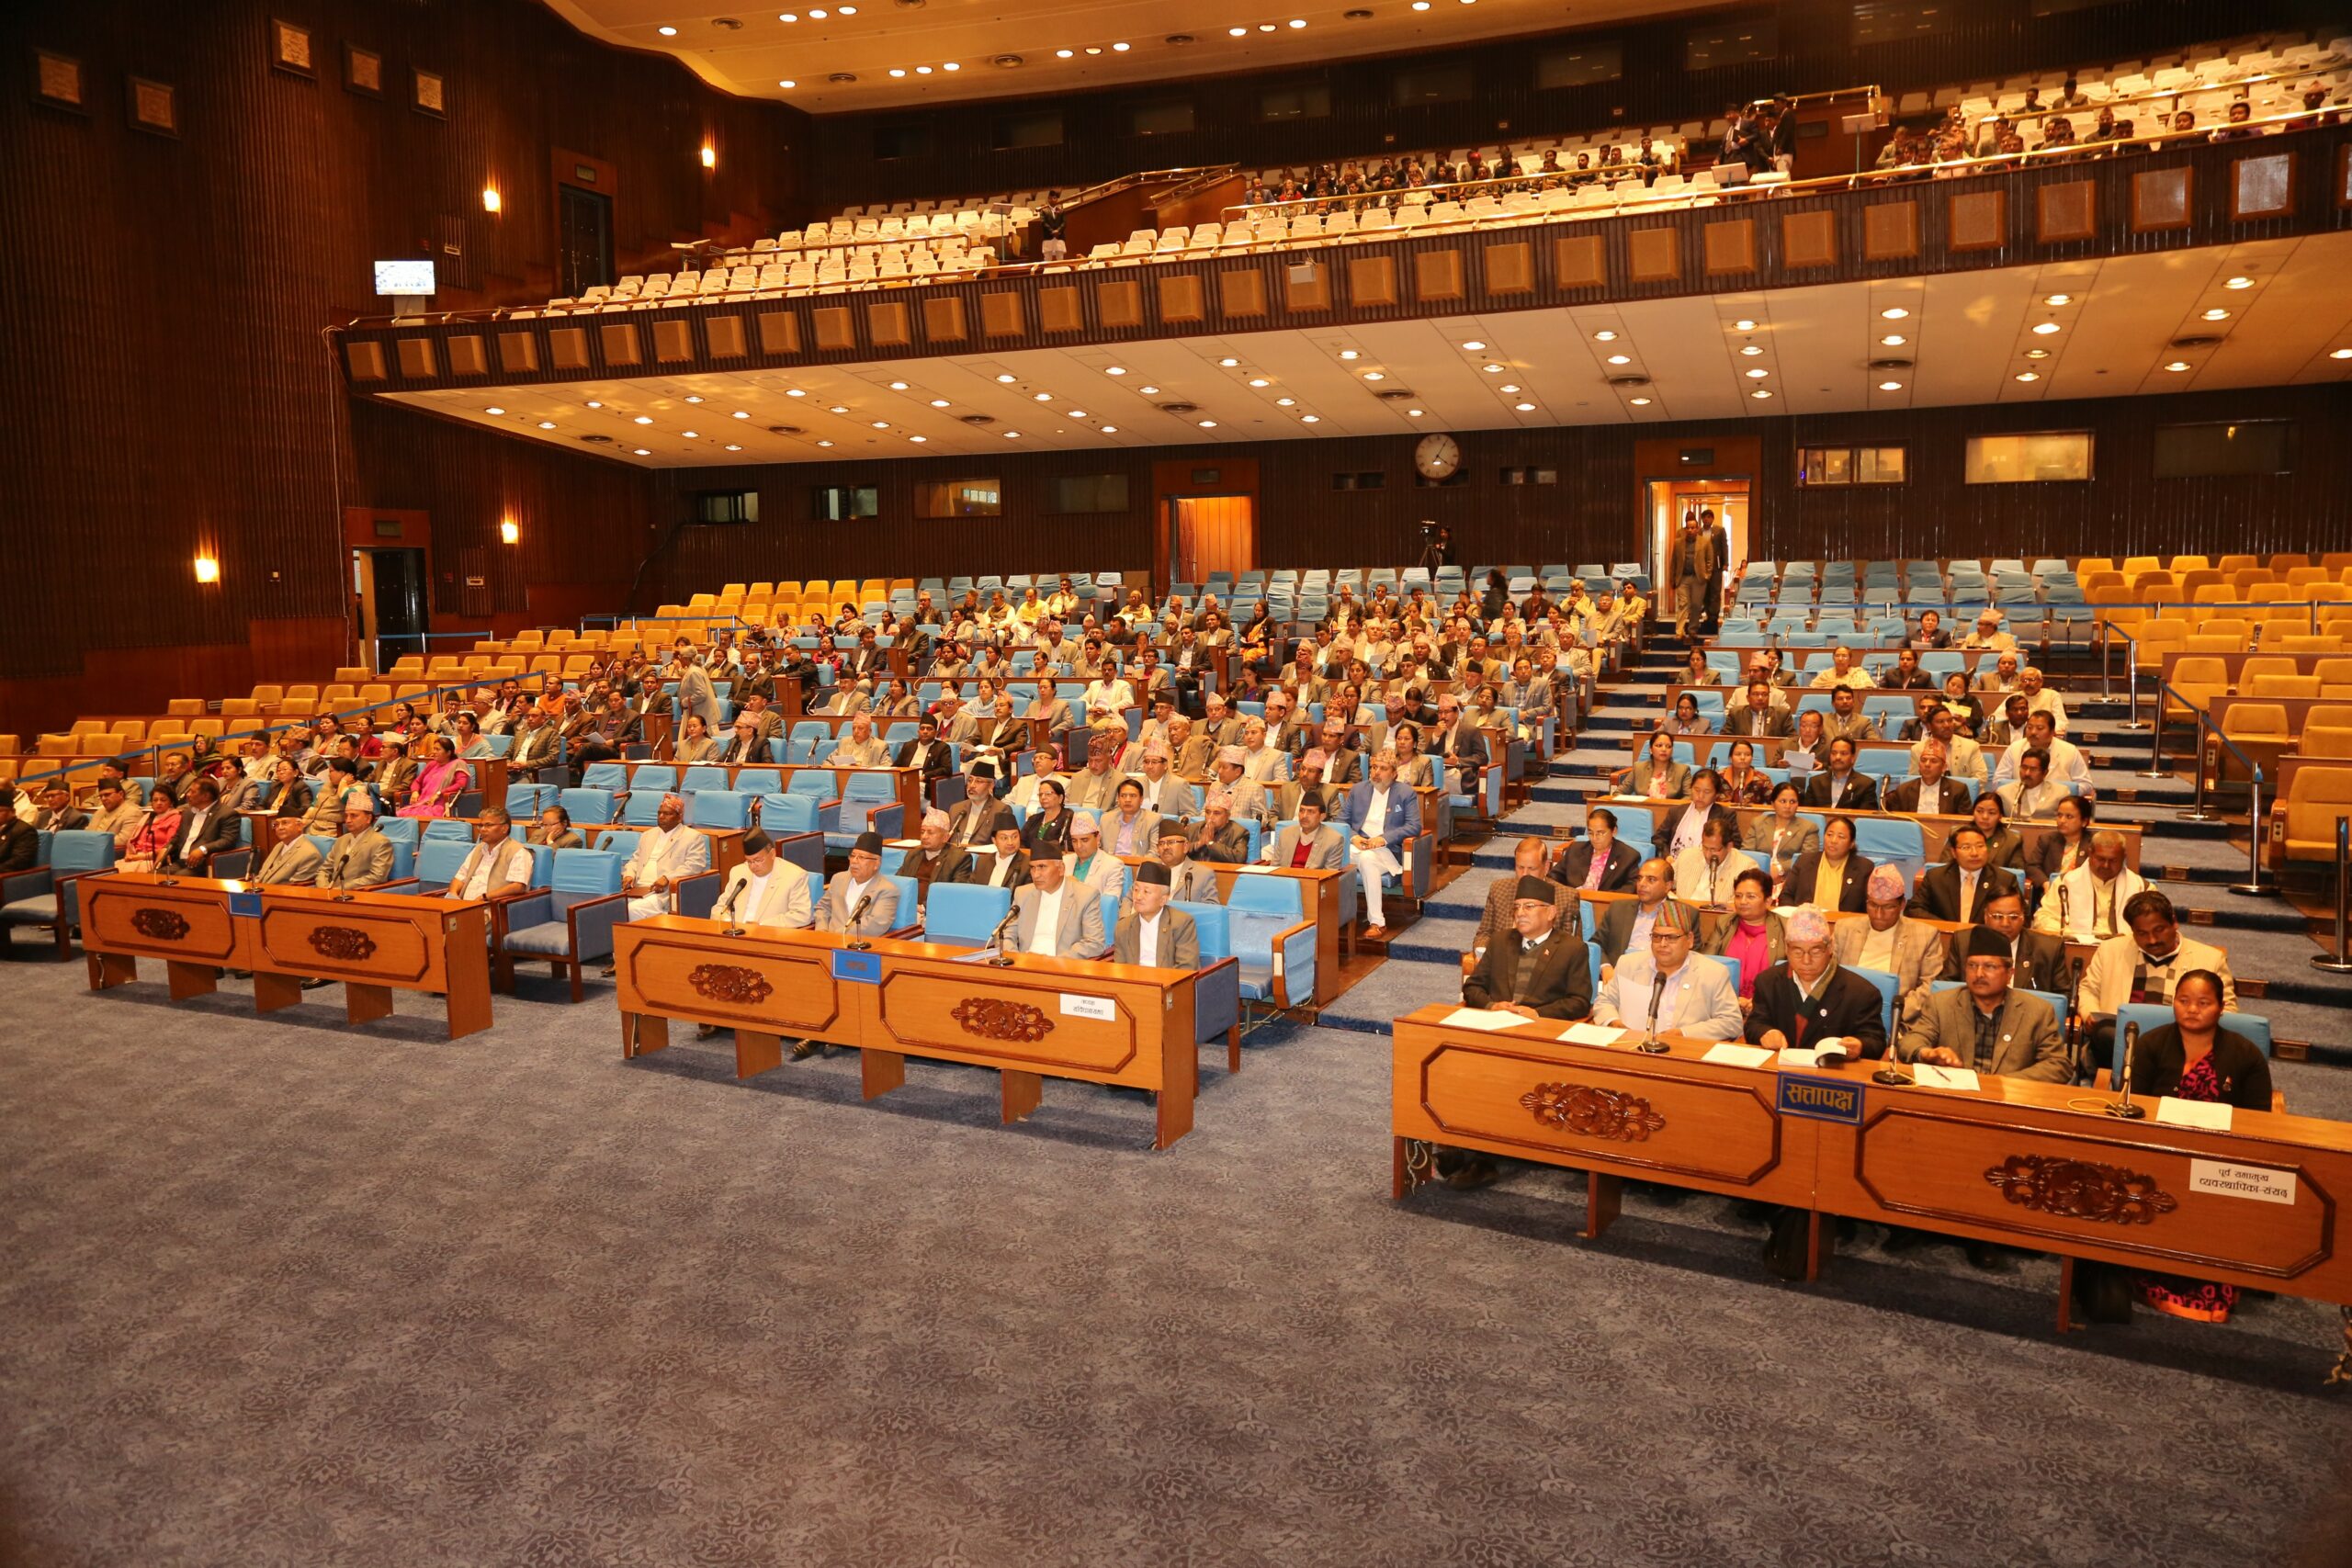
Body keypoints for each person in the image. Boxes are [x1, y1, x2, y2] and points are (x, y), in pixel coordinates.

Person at [2080, 888, 2237, 1063]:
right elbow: (2088, 990)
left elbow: (2228, 1010)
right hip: (2120, 1039)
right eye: (2142, 933)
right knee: (2104, 1034)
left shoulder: (2210, 959)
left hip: (2179, 1044)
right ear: (2132, 931)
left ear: (2174, 922)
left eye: (2159, 930)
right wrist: (2089, 1014)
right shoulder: (2110, 950)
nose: (2152, 940)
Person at [1897, 925, 2067, 1081]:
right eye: (1972, 965)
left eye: (1990, 966)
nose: (1979, 974)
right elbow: (1909, 1042)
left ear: (2010, 973)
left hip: (2010, 1096)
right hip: (1956, 1094)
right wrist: (1927, 1053)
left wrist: (2004, 1083)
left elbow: (2058, 1064)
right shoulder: (1941, 1004)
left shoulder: (2037, 1011)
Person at [1745, 906, 1888, 1055]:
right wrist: (1766, 1033)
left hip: (1832, 1068)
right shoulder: (1768, 982)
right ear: (1787, 949)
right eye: (1797, 952)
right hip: (1780, 1066)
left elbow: (1876, 1041)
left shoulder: (1861, 992)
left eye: (1816, 951)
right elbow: (1754, 1025)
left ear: (1830, 947)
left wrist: (1860, 1046)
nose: (1806, 961)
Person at [1591, 900, 1743, 1040]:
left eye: (1671, 937)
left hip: (1683, 1050)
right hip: (1630, 1044)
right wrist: (1614, 1022)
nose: (1662, 944)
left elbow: (1731, 1022)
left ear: (1689, 940)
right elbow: (1604, 1001)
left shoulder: (1713, 973)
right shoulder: (1628, 964)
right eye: (1657, 937)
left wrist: (1683, 1033)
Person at [1463, 874, 1595, 1021]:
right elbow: (1472, 987)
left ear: (1551, 913)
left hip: (1541, 1027)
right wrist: (1492, 1006)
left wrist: (1538, 1014)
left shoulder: (1572, 949)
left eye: (1529, 906)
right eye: (1516, 907)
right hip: (1496, 1022)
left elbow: (1579, 1002)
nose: (1520, 913)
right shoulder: (1500, 941)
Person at [1835, 863, 1946, 1020]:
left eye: (1888, 907)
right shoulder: (1845, 929)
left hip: (1896, 1015)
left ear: (1902, 905)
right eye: (1873, 905)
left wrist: (1895, 1013)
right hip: (1847, 1012)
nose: (1879, 914)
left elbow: (1930, 986)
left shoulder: (1925, 935)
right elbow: (1829, 975)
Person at [1341, 748, 1421, 937]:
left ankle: (1377, 922)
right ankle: (1332, 916)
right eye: (1374, 767)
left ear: (1394, 773)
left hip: (1386, 851)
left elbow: (1414, 826)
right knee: (1333, 852)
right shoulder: (1358, 790)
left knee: (1368, 859)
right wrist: (1354, 837)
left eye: (1383, 768)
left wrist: (1384, 839)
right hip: (1357, 847)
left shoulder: (1405, 793)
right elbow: (1341, 821)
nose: (1376, 772)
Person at [1942, 888, 2066, 993]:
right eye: (1997, 916)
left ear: (2023, 917)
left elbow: (2062, 998)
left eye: (2013, 917)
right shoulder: (1964, 942)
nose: (2005, 923)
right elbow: (1946, 988)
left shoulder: (2049, 949)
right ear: (1986, 916)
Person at [614, 794, 709, 927]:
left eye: (667, 814)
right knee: (612, 907)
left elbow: (695, 865)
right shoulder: (647, 835)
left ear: (679, 817)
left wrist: (667, 878)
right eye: (659, 813)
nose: (661, 816)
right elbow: (635, 860)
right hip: (637, 888)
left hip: (663, 892)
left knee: (630, 910)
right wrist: (629, 875)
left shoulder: (692, 837)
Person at [2034, 829, 2145, 940]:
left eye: (2113, 860)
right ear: (2090, 853)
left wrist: (2129, 938)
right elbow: (2043, 916)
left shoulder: (2141, 887)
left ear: (2123, 857)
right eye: (2101, 859)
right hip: (2077, 945)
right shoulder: (2066, 883)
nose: (2106, 865)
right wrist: (2067, 933)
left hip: (2122, 947)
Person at [1476, 838, 1578, 956]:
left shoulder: (1567, 898)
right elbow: (1483, 934)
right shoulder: (1498, 890)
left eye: (1531, 869)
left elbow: (1570, 949)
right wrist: (1484, 952)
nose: (1524, 875)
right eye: (1520, 868)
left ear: (1546, 867)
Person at [1702, 868, 1788, 1003]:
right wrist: (1732, 1000)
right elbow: (1706, 964)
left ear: (1767, 901)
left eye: (1751, 896)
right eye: (1738, 896)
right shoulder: (1725, 923)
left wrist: (1757, 1003)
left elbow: (1792, 976)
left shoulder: (1785, 927)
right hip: (1725, 1002)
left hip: (1771, 1004)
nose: (1742, 901)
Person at [1909, 824, 2019, 925]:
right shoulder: (1936, 877)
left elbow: (2021, 916)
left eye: (1980, 846)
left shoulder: (2004, 880)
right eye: (1966, 847)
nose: (1974, 853)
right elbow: (1913, 909)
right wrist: (1947, 927)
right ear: (1953, 853)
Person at [1012, 849, 1109, 958]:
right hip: (1024, 962)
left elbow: (1094, 943)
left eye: (1042, 867)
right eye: (1032, 868)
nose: (1036, 875)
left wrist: (1054, 961)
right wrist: (1015, 958)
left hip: (1062, 963)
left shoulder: (1085, 896)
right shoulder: (1022, 893)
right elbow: (1007, 934)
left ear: (1061, 869)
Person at [1593, 856, 1678, 978]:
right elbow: (1597, 944)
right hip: (1617, 976)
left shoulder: (1681, 914)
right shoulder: (1618, 909)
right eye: (1639, 878)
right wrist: (1605, 967)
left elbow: (1688, 956)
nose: (1642, 884)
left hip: (1659, 979)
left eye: (1651, 879)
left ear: (1668, 885)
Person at [711, 829, 811, 930]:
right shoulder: (738, 872)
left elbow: (802, 915)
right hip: (736, 933)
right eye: (749, 861)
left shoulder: (794, 876)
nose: (753, 866)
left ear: (772, 854)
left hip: (768, 935)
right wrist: (730, 923)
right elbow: (719, 909)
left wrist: (762, 926)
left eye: (758, 860)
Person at [1113, 860, 1201, 969]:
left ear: (1163, 900)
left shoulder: (1182, 924)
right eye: (1136, 890)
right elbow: (1120, 969)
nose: (1138, 897)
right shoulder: (1123, 927)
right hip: (1134, 979)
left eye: (1146, 891)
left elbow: (1186, 968)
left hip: (1169, 979)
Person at [814, 831, 899, 940]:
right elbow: (823, 907)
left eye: (861, 857)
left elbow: (877, 924)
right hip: (826, 940)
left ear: (876, 864)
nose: (854, 861)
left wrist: (838, 935)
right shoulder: (838, 879)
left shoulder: (887, 890)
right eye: (853, 856)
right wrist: (821, 931)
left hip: (860, 944)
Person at [1779, 814, 1872, 913]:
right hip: (1805, 920)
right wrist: (1796, 916)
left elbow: (1870, 905)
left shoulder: (1864, 868)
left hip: (1845, 921)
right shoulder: (1804, 861)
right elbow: (1786, 896)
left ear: (1851, 843)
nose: (1833, 841)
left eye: (1841, 837)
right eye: (1829, 835)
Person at [159, 778, 240, 874]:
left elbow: (227, 841)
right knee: (154, 876)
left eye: (192, 792)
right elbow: (178, 836)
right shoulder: (188, 812)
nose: (188, 794)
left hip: (204, 864)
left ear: (205, 796)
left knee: (179, 878)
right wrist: (166, 849)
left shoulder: (227, 814)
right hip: (180, 862)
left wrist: (203, 849)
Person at [1672, 819, 1758, 909]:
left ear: (1729, 846)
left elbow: (1743, 905)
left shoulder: (1746, 867)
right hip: (1683, 913)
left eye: (1714, 850)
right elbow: (1666, 883)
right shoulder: (1687, 856)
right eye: (1705, 848)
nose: (1707, 855)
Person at [1554, 808, 1638, 893]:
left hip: (1605, 900)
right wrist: (1567, 893)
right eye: (1590, 833)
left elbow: (1632, 886)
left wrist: (1604, 897)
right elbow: (1554, 876)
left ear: (1614, 831)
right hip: (1573, 898)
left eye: (1600, 833)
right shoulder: (1575, 849)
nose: (1594, 838)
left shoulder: (1628, 856)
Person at [315, 801, 395, 890]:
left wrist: (342, 889)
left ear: (368, 818)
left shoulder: (380, 842)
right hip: (330, 893)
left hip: (357, 894)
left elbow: (378, 876)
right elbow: (324, 870)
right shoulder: (341, 840)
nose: (348, 820)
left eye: (354, 816)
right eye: (346, 816)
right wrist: (323, 887)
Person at [897, 809, 971, 907]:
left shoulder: (959, 858)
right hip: (908, 906)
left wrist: (924, 907)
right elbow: (898, 883)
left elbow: (955, 893)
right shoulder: (913, 854)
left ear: (945, 838)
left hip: (936, 909)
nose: (924, 836)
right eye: (922, 832)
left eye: (930, 833)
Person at [2027, 792, 2095, 892]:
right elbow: (2031, 866)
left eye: (2069, 816)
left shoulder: (2094, 844)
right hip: (2051, 892)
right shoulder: (2047, 839)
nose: (2062, 820)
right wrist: (2045, 883)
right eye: (2059, 815)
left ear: (2084, 822)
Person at [944, 762, 1016, 856]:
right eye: (970, 780)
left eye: (978, 781)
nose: (972, 785)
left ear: (991, 785)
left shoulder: (1001, 810)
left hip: (980, 857)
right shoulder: (956, 808)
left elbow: (1002, 844)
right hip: (954, 855)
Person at [1751, 783, 1819, 882]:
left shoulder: (1809, 828)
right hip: (1759, 876)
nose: (1788, 806)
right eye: (1783, 801)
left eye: (1792, 802)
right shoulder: (1758, 823)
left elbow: (1807, 859)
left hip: (1791, 878)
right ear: (1773, 804)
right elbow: (1747, 853)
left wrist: (1780, 869)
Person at [1264, 791, 1347, 870]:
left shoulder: (1334, 840)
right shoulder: (1286, 834)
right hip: (1285, 878)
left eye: (1310, 812)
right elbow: (1275, 867)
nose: (1304, 816)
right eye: (1302, 811)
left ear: (1322, 816)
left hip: (1313, 879)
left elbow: (1329, 875)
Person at [399, 737, 470, 819]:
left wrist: (439, 793)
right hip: (422, 803)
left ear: (448, 753)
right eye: (434, 749)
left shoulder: (458, 763)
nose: (434, 752)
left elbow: (461, 785)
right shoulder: (432, 764)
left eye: (438, 750)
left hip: (442, 805)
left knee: (416, 818)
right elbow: (417, 782)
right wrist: (415, 792)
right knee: (400, 815)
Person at [1152, 820, 1222, 903]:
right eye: (1161, 843)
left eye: (1171, 842)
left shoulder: (1203, 874)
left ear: (1185, 846)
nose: (1165, 847)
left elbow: (1211, 907)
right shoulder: (1148, 870)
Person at [1801, 738, 1878, 811]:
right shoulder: (1815, 782)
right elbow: (1807, 814)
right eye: (1834, 753)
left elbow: (1866, 817)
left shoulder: (1866, 785)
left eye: (1843, 753)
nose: (1837, 757)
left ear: (1852, 758)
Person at [249, 815, 323, 886]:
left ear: (299, 826)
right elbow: (262, 875)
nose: (280, 828)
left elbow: (295, 887)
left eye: (285, 823)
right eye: (276, 824)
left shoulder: (310, 855)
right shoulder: (279, 845)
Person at [1619, 731, 1690, 799]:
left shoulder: (1683, 770)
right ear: (1650, 750)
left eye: (1668, 746)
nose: (1664, 749)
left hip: (1671, 808)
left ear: (1672, 751)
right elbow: (1619, 793)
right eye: (1659, 745)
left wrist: (1674, 806)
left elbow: (1690, 796)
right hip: (1643, 807)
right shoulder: (1638, 768)